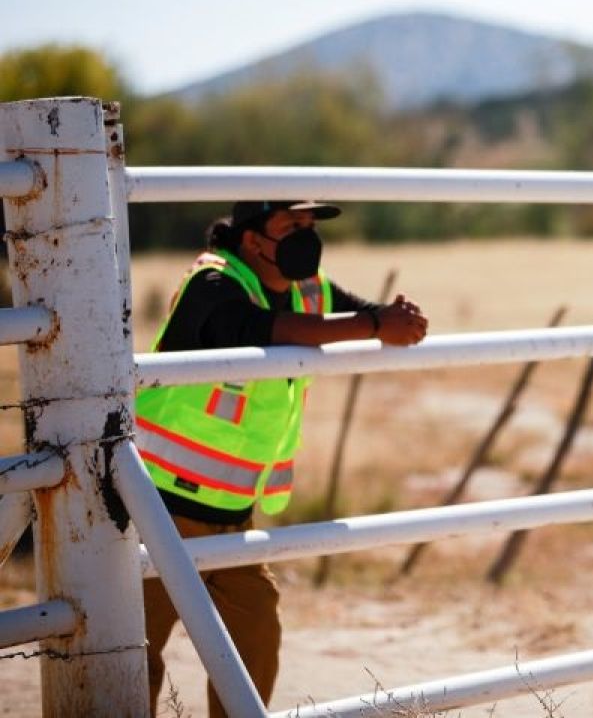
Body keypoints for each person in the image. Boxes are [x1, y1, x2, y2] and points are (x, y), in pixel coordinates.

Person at [135, 200, 428, 717]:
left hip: (234, 518)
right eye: (292, 226)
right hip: (160, 509)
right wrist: (374, 324)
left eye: (311, 227)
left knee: (255, 637)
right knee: (135, 653)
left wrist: (393, 319)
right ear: (252, 239)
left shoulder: (309, 290)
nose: (307, 238)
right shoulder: (215, 283)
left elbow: (360, 317)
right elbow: (268, 329)